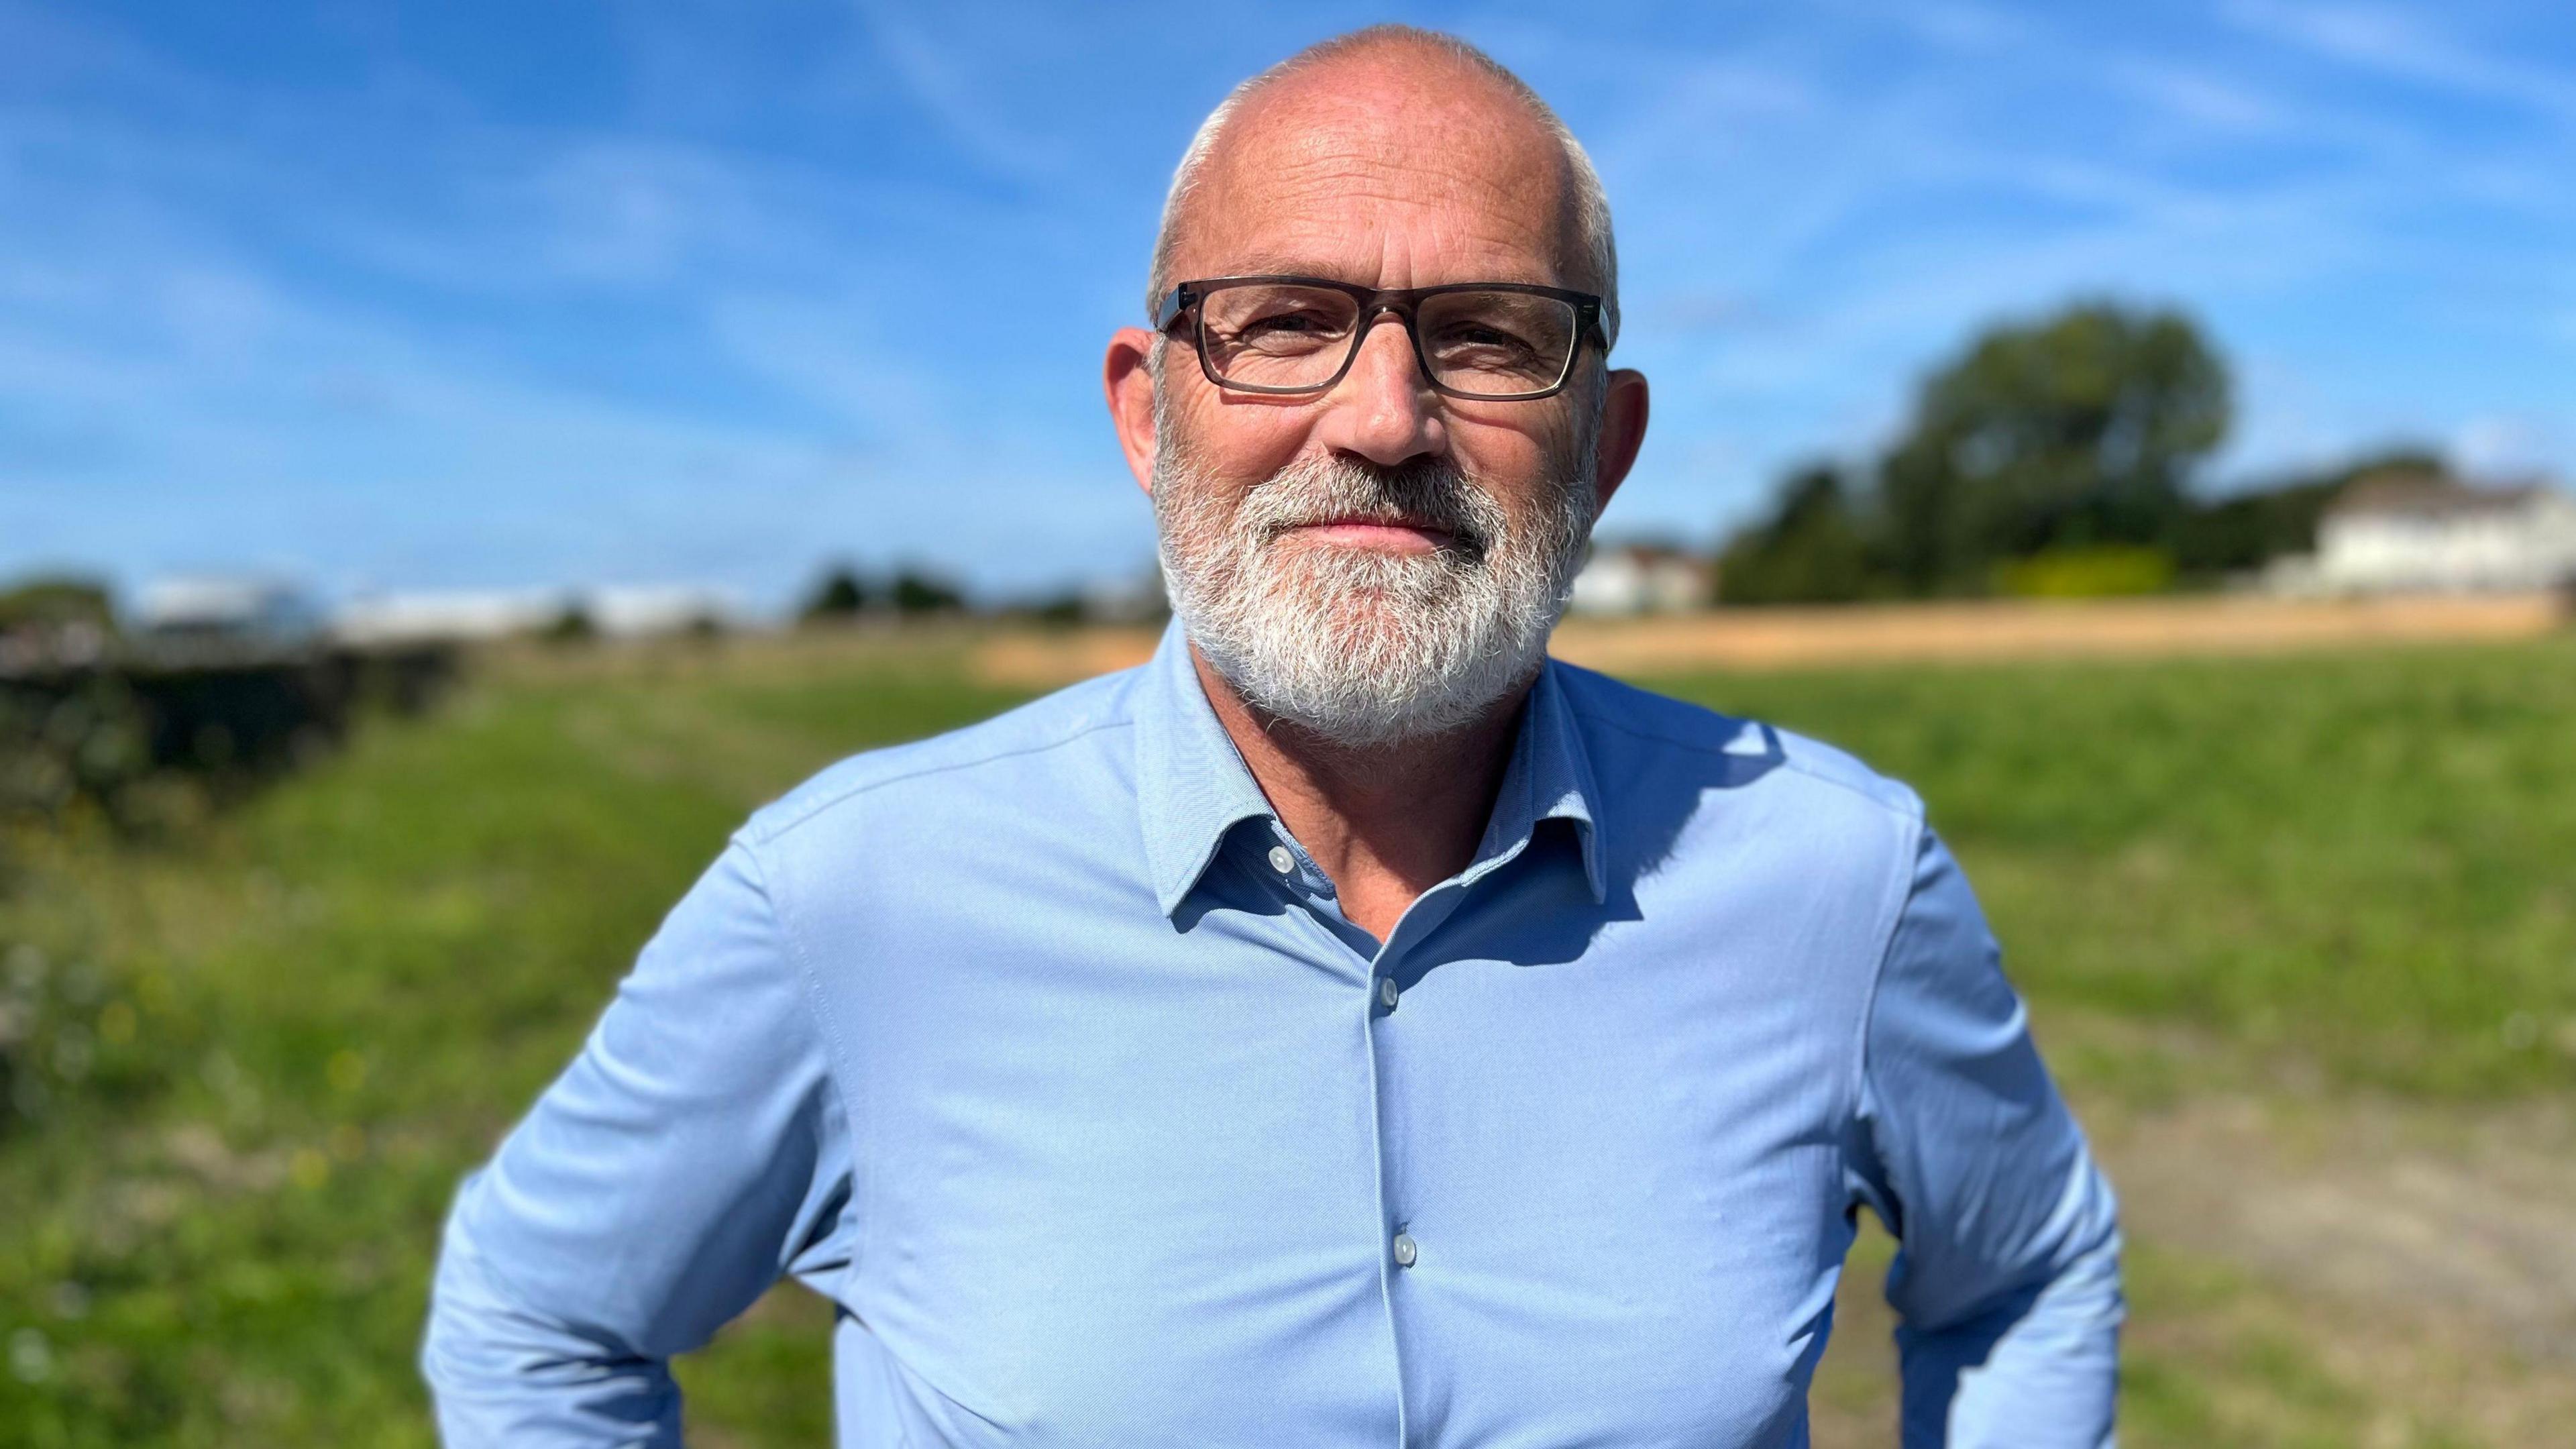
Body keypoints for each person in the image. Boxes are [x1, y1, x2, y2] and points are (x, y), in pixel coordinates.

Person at [422, 24, 2120, 1448]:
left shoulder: (1835, 877)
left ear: (1605, 448)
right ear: (1147, 412)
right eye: (1285, 321)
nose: (1385, 419)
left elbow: (2028, 1273)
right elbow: (539, 1319)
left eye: (1488, 337)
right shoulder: (850, 895)